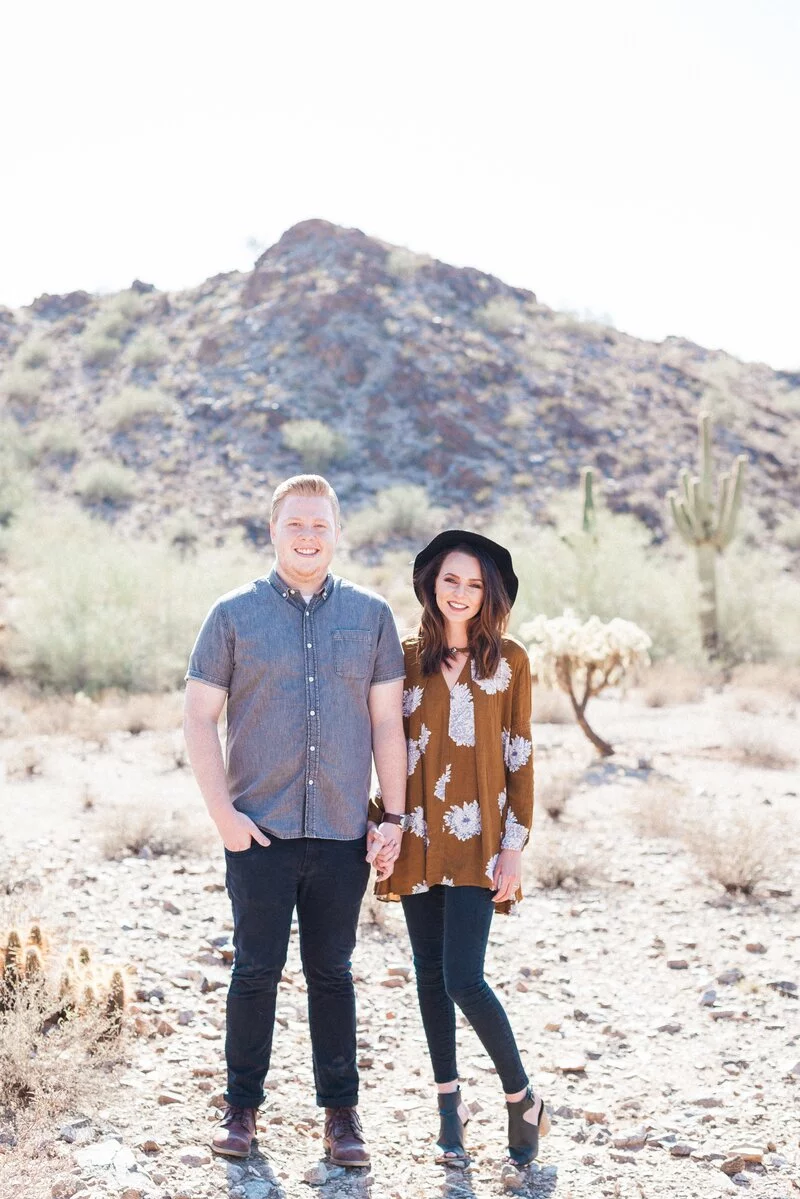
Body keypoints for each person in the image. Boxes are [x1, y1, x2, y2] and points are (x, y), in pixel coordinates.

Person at [183, 475, 407, 1166]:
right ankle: (241, 1108)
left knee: (332, 972)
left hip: (342, 832)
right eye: (295, 524)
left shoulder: (371, 617)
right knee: (255, 970)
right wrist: (223, 816)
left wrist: (393, 815)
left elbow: (387, 725)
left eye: (319, 524)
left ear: (337, 531)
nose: (308, 535)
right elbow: (197, 717)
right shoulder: (232, 614)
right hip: (259, 831)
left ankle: (341, 1118)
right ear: (273, 530)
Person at [372, 530, 549, 1167]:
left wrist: (516, 846)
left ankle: (521, 1097)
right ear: (431, 584)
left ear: (489, 593)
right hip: (419, 836)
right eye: (452, 580)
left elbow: (520, 756)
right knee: (427, 977)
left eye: (474, 584)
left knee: (463, 978)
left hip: (479, 842)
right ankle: (450, 1110)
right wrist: (382, 824)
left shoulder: (512, 662)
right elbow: (387, 748)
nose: (461, 593)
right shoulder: (404, 658)